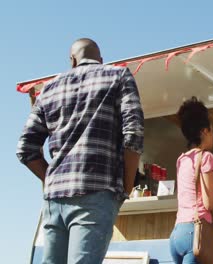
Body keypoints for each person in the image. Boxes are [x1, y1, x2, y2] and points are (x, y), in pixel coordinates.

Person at [16, 38, 144, 263]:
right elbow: (133, 134)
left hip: (54, 199)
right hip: (96, 191)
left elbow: (26, 148)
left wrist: (51, 180)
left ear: (72, 60)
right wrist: (126, 187)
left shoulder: (48, 89)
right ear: (101, 60)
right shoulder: (118, 76)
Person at [170, 97, 213, 264]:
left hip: (177, 234)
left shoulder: (183, 159)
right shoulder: (207, 157)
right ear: (204, 131)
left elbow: (196, 187)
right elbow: (208, 204)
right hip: (195, 234)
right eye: (212, 131)